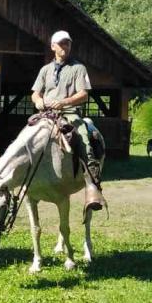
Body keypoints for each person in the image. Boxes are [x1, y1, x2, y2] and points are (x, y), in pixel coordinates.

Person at [31, 30, 105, 215]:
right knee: (26, 135)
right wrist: (38, 101)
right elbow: (35, 93)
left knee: (84, 138)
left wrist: (64, 102)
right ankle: (22, 176)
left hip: (69, 113)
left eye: (68, 43)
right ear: (53, 46)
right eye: (62, 43)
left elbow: (84, 94)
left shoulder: (78, 68)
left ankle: (92, 185)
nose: (65, 46)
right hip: (46, 113)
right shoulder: (45, 70)